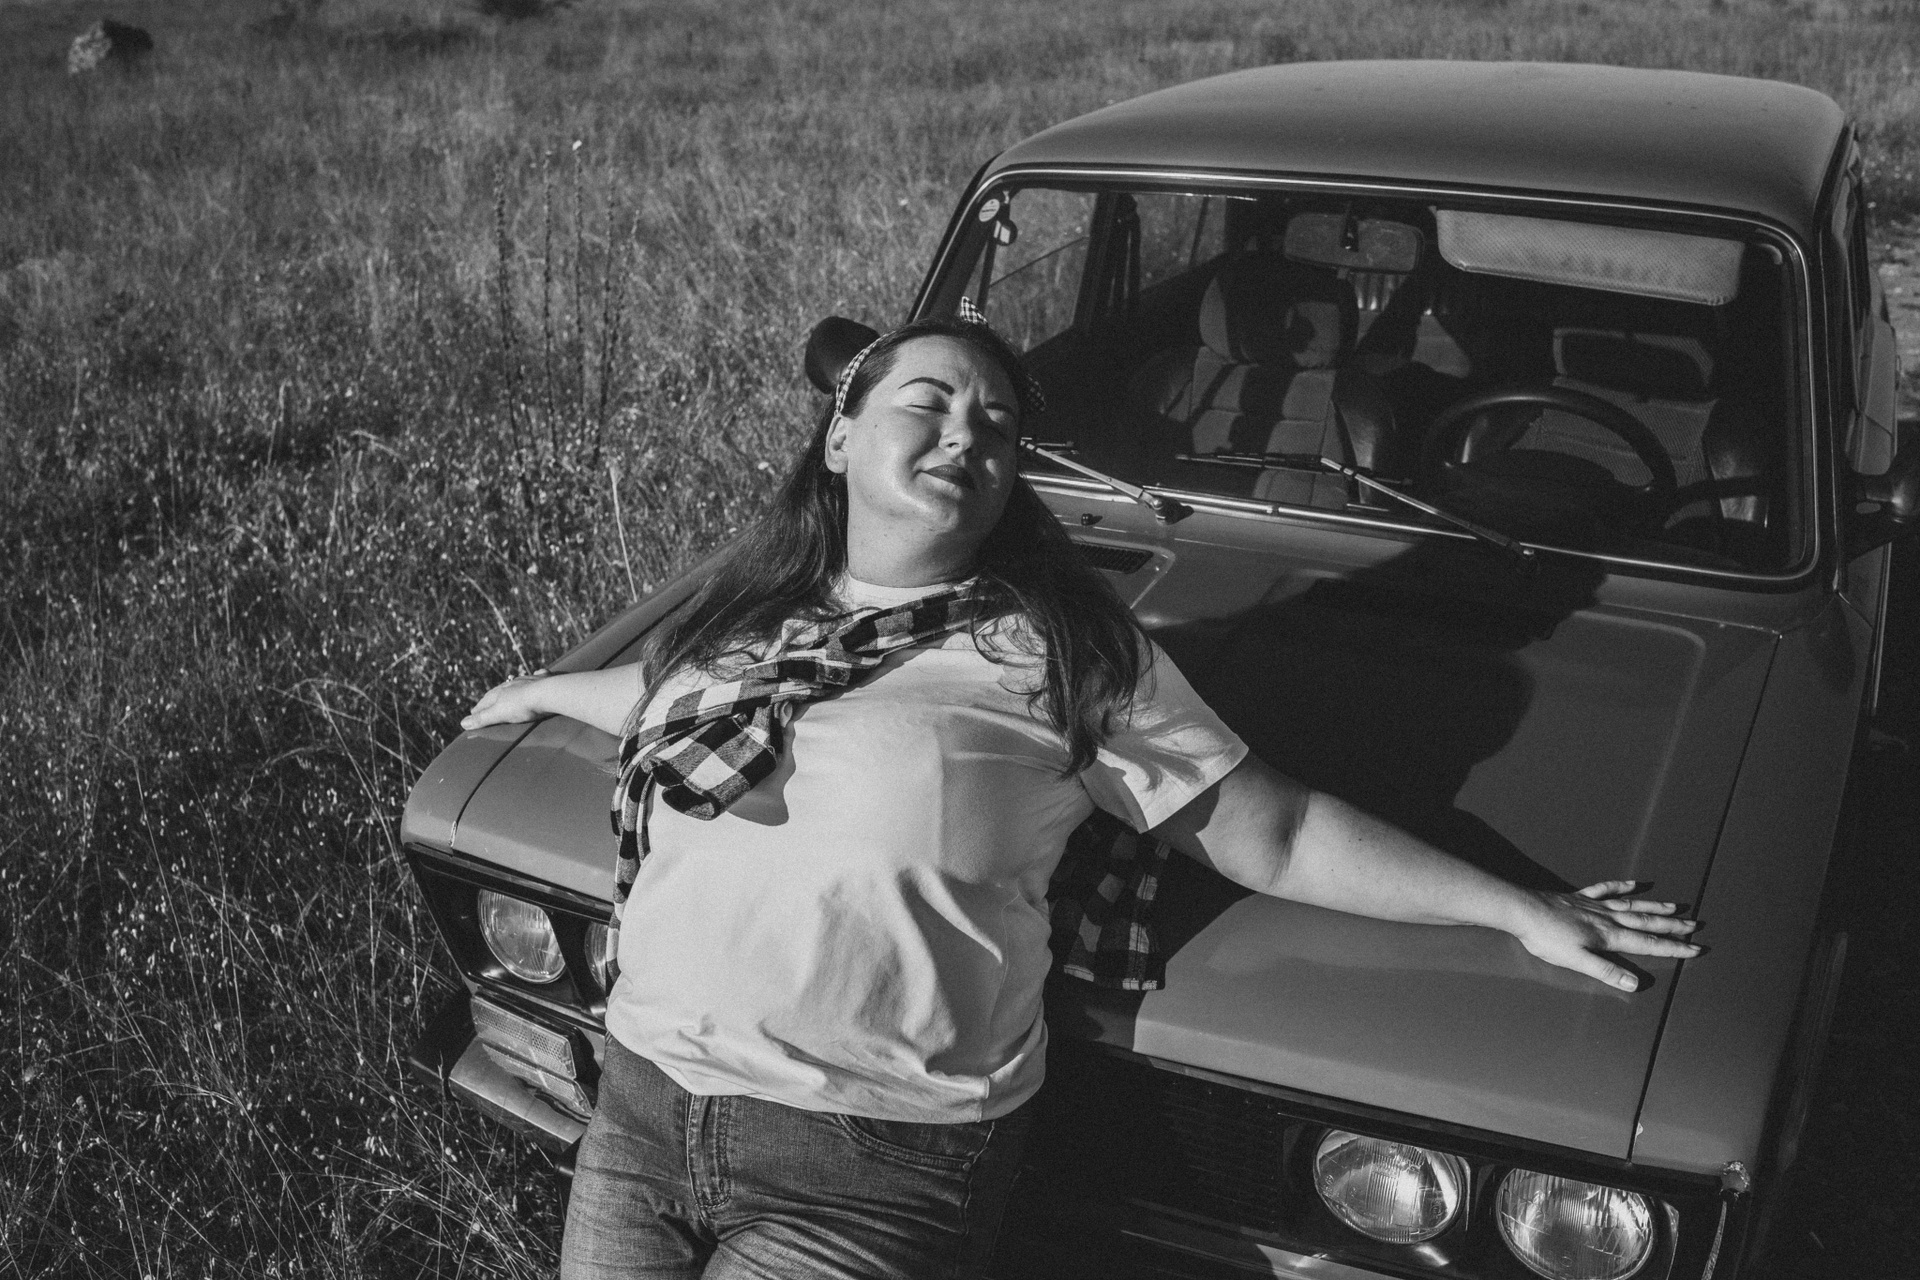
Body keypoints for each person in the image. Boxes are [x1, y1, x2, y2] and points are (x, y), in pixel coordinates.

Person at [462, 311, 1702, 1280]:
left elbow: (1274, 830)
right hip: (640, 1104)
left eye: (997, 424)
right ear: (840, 436)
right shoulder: (751, 608)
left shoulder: (1055, 650)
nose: (966, 432)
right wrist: (544, 690)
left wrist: (1520, 906)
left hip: (863, 1156)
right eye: (929, 401)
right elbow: (682, 701)